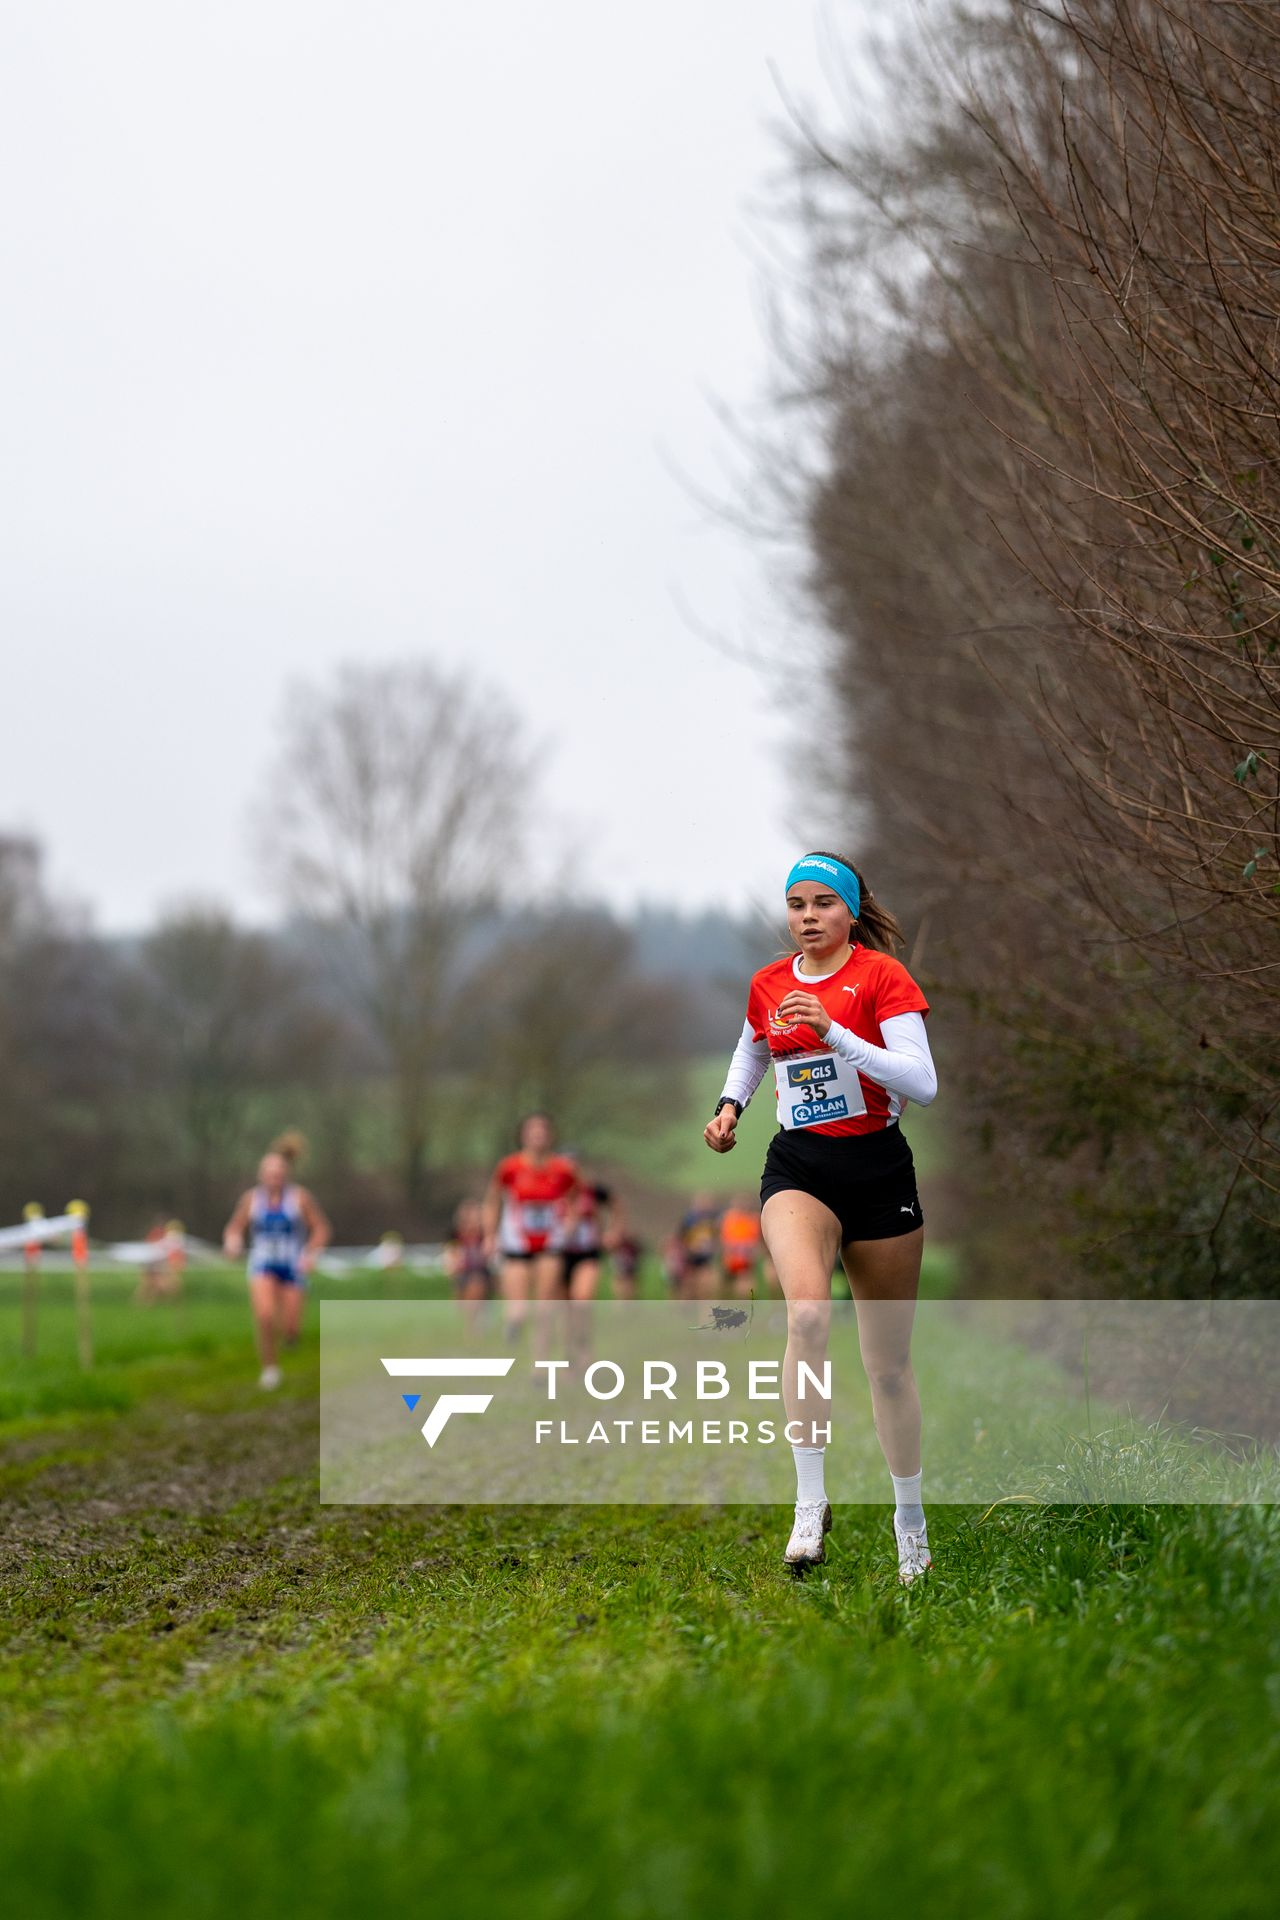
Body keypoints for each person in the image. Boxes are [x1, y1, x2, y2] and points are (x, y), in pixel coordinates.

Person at [703, 851, 938, 1585]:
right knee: (805, 1316)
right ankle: (810, 1503)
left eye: (822, 904)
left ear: (849, 910)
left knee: (888, 1369)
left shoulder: (883, 978)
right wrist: (729, 1107)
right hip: (799, 1169)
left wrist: (835, 1031)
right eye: (796, 904)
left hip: (877, 1172)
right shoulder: (769, 983)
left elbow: (922, 1084)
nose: (807, 916)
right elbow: (751, 1052)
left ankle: (910, 1523)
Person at [223, 1133, 331, 1389]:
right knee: (265, 1316)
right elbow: (234, 1227)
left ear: (286, 1174)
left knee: (291, 1328)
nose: (274, 1176)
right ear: (261, 1174)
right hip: (262, 1264)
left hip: (293, 1266)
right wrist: (233, 1240)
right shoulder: (251, 1200)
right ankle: (270, 1369)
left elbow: (321, 1228)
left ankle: (291, 1336)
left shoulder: (299, 1198)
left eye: (278, 1171)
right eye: (269, 1171)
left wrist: (312, 1253)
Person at [481, 1113, 578, 1339]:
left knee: (545, 1303)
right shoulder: (509, 1167)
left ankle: (539, 1365)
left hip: (550, 1241)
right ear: (523, 1136)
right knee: (519, 1308)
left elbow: (575, 1198)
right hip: (516, 1242)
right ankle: (514, 1321)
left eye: (543, 1131)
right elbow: (493, 1201)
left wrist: (571, 1222)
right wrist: (490, 1235)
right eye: (533, 1131)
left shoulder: (563, 1168)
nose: (538, 1135)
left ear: (551, 1136)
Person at [442, 1199, 493, 1333]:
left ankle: (475, 1327)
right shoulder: (455, 1235)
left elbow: (490, 1252)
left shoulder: (484, 1235)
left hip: (478, 1272)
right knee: (462, 1305)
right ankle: (470, 1325)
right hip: (461, 1272)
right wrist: (452, 1265)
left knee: (476, 1291)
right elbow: (449, 1253)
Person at [675, 1193, 721, 1300]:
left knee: (705, 1288)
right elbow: (681, 1239)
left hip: (706, 1260)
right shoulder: (689, 1220)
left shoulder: (714, 1221)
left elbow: (718, 1239)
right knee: (689, 1291)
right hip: (690, 1259)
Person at [719, 1197, 763, 1299]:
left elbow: (755, 1241)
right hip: (731, 1257)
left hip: (745, 1258)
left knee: (744, 1281)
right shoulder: (729, 1219)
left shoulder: (752, 1220)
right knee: (726, 1284)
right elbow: (725, 1240)